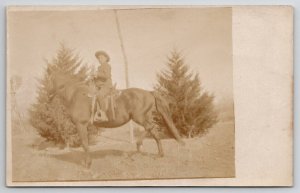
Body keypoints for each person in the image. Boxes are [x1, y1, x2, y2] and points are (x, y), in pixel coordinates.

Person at [93, 51, 113, 122]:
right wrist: (94, 78)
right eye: (98, 58)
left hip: (106, 86)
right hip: (100, 87)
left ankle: (104, 115)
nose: (99, 59)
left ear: (106, 58)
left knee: (99, 95)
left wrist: (97, 74)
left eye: (101, 57)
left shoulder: (107, 66)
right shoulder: (99, 67)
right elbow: (99, 79)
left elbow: (107, 76)